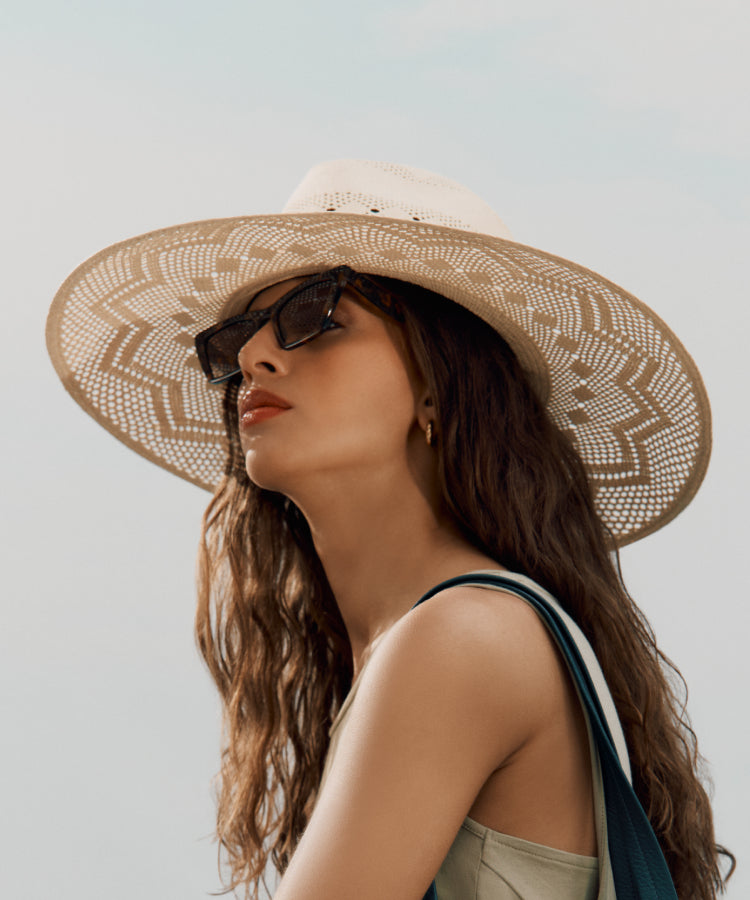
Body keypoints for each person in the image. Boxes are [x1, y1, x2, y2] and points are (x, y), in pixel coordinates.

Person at [47, 159, 734, 899]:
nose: (254, 355)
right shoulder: (440, 640)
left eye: (317, 317)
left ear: (439, 385)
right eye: (236, 336)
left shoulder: (461, 638)